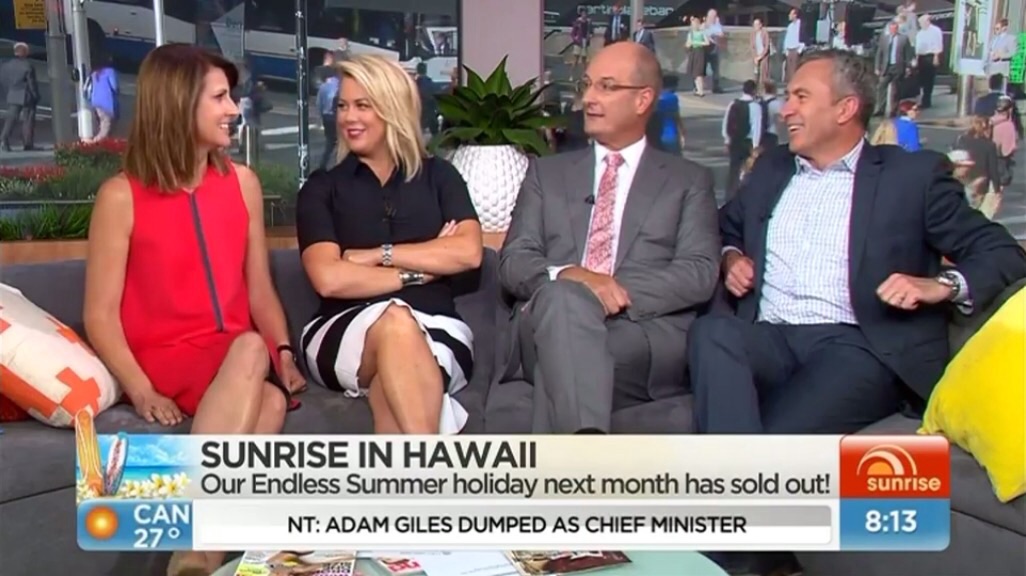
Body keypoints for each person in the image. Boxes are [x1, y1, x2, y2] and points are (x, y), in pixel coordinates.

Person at [689, 47, 1026, 576]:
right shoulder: (774, 168)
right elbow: (725, 225)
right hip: (770, 336)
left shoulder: (911, 177)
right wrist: (732, 256)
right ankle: (743, 546)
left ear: (845, 109)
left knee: (774, 448)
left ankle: (724, 557)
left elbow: (1001, 252)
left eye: (801, 97)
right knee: (712, 333)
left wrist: (941, 285)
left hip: (858, 346)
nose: (786, 109)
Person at [82, 44, 305, 576]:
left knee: (271, 400)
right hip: (167, 360)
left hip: (233, 360)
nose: (233, 109)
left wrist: (283, 350)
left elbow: (259, 289)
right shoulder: (120, 196)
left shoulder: (243, 184)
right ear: (180, 104)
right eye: (220, 98)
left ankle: (195, 560)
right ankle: (198, 543)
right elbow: (100, 315)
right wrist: (141, 389)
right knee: (250, 353)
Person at [498, 42, 720, 434]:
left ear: (643, 100)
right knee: (563, 305)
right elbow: (514, 260)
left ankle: (573, 460)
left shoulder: (688, 181)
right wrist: (574, 277)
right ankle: (587, 452)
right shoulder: (546, 175)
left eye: (606, 86)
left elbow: (698, 271)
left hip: (637, 332)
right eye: (586, 85)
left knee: (564, 355)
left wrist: (611, 291)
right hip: (548, 321)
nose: (588, 98)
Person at [295, 55, 483, 435]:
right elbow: (329, 279)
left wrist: (377, 256)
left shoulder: (440, 176)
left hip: (438, 328)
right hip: (342, 327)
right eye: (342, 106)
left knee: (391, 383)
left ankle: (408, 469)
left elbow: (468, 252)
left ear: (392, 108)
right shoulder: (322, 188)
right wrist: (424, 270)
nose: (348, 117)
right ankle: (431, 458)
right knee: (396, 321)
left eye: (362, 105)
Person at [0, 42, 38, 152]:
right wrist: (35, 95)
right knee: (28, 119)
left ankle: (4, 140)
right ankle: (28, 144)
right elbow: (31, 83)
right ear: (25, 52)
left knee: (11, 119)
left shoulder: (6, 65)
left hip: (13, 94)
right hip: (26, 95)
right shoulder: (28, 66)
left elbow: (3, 80)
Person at [874, 20, 915, 117]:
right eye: (891, 28)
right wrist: (877, 67)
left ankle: (894, 110)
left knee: (895, 90)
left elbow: (908, 54)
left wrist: (908, 67)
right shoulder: (884, 38)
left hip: (898, 66)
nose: (893, 30)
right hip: (886, 67)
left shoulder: (903, 39)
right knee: (881, 86)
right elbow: (879, 53)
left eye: (895, 28)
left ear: (897, 29)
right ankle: (880, 109)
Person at [85, 55, 119, 142]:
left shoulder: (94, 73)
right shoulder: (110, 71)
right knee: (106, 125)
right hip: (106, 103)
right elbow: (114, 87)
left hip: (95, 102)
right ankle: (95, 142)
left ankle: (104, 143)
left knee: (103, 122)